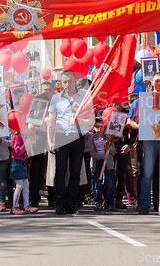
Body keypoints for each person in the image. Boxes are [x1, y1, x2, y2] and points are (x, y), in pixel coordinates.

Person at [47, 70, 94, 215]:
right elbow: (51, 122)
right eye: (64, 82)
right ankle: (60, 203)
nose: (67, 85)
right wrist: (49, 141)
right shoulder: (56, 98)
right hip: (61, 137)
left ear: (75, 81)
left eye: (70, 81)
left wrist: (79, 121)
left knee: (75, 171)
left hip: (77, 137)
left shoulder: (84, 98)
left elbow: (91, 120)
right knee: (60, 171)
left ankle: (72, 203)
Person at [129, 73, 160, 215]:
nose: (158, 84)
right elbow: (129, 121)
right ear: (151, 83)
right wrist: (141, 127)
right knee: (147, 174)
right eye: (156, 81)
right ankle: (144, 205)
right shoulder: (142, 101)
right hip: (149, 141)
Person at [87, 118, 117, 211]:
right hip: (98, 163)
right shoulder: (92, 139)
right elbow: (92, 153)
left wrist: (110, 148)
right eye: (97, 126)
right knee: (97, 185)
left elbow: (113, 153)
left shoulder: (108, 138)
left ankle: (110, 203)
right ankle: (98, 202)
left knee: (110, 184)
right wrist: (101, 157)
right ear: (94, 128)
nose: (100, 128)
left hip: (108, 164)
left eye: (102, 126)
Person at [10, 129, 38, 214]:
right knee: (19, 185)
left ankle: (26, 205)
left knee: (26, 183)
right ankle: (14, 207)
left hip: (22, 162)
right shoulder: (17, 137)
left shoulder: (23, 137)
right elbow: (18, 151)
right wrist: (26, 144)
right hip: (17, 162)